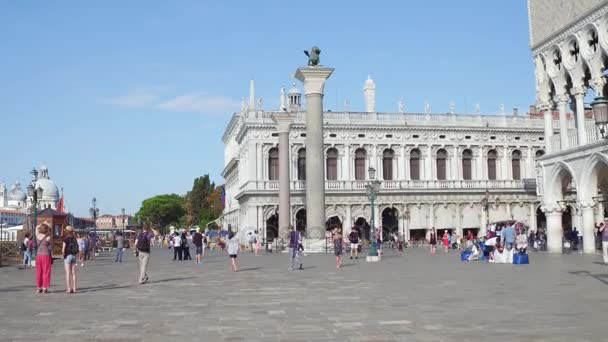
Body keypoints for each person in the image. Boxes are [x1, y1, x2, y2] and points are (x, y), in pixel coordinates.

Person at [35, 222, 53, 294]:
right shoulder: (47, 237)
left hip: (38, 255)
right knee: (46, 271)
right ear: (46, 230)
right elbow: (51, 231)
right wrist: (48, 225)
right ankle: (44, 288)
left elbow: (36, 227)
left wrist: (42, 223)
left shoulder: (37, 236)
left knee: (38, 271)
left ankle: (38, 288)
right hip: (46, 255)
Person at [62, 226, 79, 293]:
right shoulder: (74, 238)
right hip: (74, 256)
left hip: (68, 256)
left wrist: (63, 256)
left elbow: (63, 249)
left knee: (68, 273)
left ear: (66, 231)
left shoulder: (65, 239)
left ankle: (69, 288)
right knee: (74, 273)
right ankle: (74, 288)